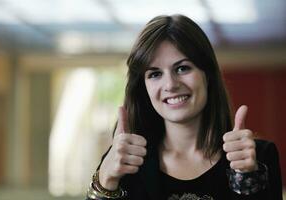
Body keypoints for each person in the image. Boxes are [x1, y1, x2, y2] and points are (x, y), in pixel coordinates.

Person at [86, 14, 282, 200]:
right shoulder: (124, 160)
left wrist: (247, 178)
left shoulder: (258, 158)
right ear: (143, 87)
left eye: (182, 68)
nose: (170, 84)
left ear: (207, 75)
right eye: (154, 74)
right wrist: (106, 180)